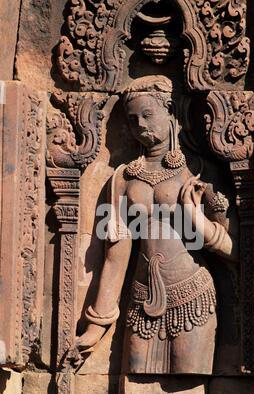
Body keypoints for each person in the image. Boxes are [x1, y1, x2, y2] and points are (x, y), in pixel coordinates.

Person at [74, 75, 238, 374]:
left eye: (148, 115)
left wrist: (193, 214)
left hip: (193, 296)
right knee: (134, 393)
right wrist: (97, 325)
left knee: (188, 393)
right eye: (133, 119)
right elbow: (115, 257)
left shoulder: (199, 170)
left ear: (171, 109)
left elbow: (234, 249)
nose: (140, 126)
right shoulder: (123, 178)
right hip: (142, 299)